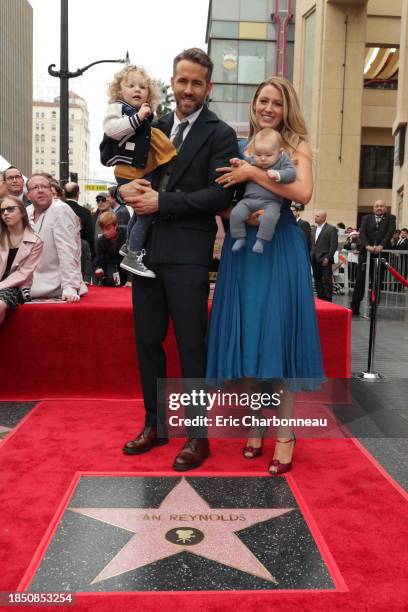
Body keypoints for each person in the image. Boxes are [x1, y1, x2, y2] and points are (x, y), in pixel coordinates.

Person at [118, 47, 238, 470]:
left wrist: (161, 202)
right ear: (172, 81)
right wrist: (124, 193)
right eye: (182, 81)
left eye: (196, 83)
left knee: (191, 346)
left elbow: (220, 194)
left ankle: (198, 436)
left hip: (188, 254)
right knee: (147, 341)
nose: (188, 90)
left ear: (208, 87)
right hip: (146, 253)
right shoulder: (153, 124)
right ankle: (155, 424)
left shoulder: (220, 134)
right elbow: (129, 174)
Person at [207, 76, 324, 475]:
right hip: (246, 254)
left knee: (282, 339)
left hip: (281, 251)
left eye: (276, 102)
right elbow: (222, 203)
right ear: (253, 105)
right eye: (262, 101)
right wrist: (240, 213)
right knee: (253, 339)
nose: (268, 108)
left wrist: (253, 175)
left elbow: (303, 193)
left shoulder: (297, 147)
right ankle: (256, 426)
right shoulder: (240, 148)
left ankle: (286, 434)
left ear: (286, 107)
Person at [101, 65, 176, 278]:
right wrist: (138, 118)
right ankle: (133, 254)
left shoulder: (141, 113)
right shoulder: (118, 108)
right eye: (131, 85)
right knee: (146, 212)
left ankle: (128, 246)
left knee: (141, 211)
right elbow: (111, 129)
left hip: (137, 170)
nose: (138, 90)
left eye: (143, 87)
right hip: (127, 170)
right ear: (119, 91)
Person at [229, 128, 296, 254]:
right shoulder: (254, 160)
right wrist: (238, 162)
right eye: (259, 155)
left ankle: (261, 241)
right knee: (236, 213)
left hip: (271, 202)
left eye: (268, 155)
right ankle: (239, 237)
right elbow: (244, 165)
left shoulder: (282, 160)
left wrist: (278, 174)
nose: (263, 159)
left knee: (270, 218)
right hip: (249, 199)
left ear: (280, 152)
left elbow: (292, 173)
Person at [26, 174, 87, 302]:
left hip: (58, 285)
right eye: (35, 187)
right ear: (28, 195)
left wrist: (70, 287)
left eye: (44, 187)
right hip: (30, 283)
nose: (41, 190)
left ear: (51, 191)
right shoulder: (27, 212)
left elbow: (68, 251)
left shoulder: (61, 210)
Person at [0, 196, 43, 324]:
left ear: (23, 212)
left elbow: (24, 274)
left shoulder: (36, 241)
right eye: (2, 211)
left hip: (17, 286)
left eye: (10, 209)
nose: (5, 213)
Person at [350, 200, 396, 315]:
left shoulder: (391, 218)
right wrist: (367, 246)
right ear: (373, 208)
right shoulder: (366, 218)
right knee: (360, 281)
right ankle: (354, 307)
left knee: (377, 282)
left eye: (381, 206)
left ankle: (373, 308)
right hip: (365, 255)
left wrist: (381, 245)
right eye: (377, 206)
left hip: (381, 256)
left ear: (385, 208)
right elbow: (362, 233)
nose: (379, 208)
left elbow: (389, 232)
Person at [94, 212, 129, 286]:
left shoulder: (127, 233)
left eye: (108, 228)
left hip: (127, 265)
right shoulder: (101, 241)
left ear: (116, 225)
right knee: (110, 283)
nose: (105, 232)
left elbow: (133, 257)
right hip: (112, 266)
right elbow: (99, 260)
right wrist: (98, 269)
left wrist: (130, 280)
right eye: (103, 229)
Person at [310, 211, 338, 302]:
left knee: (327, 280)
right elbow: (312, 244)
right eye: (315, 216)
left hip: (325, 258)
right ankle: (321, 298)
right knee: (317, 280)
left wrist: (328, 257)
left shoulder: (331, 229)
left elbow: (333, 245)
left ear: (323, 218)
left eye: (317, 216)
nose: (315, 217)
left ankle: (328, 299)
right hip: (314, 258)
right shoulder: (313, 229)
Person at [63, 182, 94, 254]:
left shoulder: (57, 210)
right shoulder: (85, 212)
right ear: (77, 194)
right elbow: (89, 236)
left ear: (64, 194)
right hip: (79, 251)